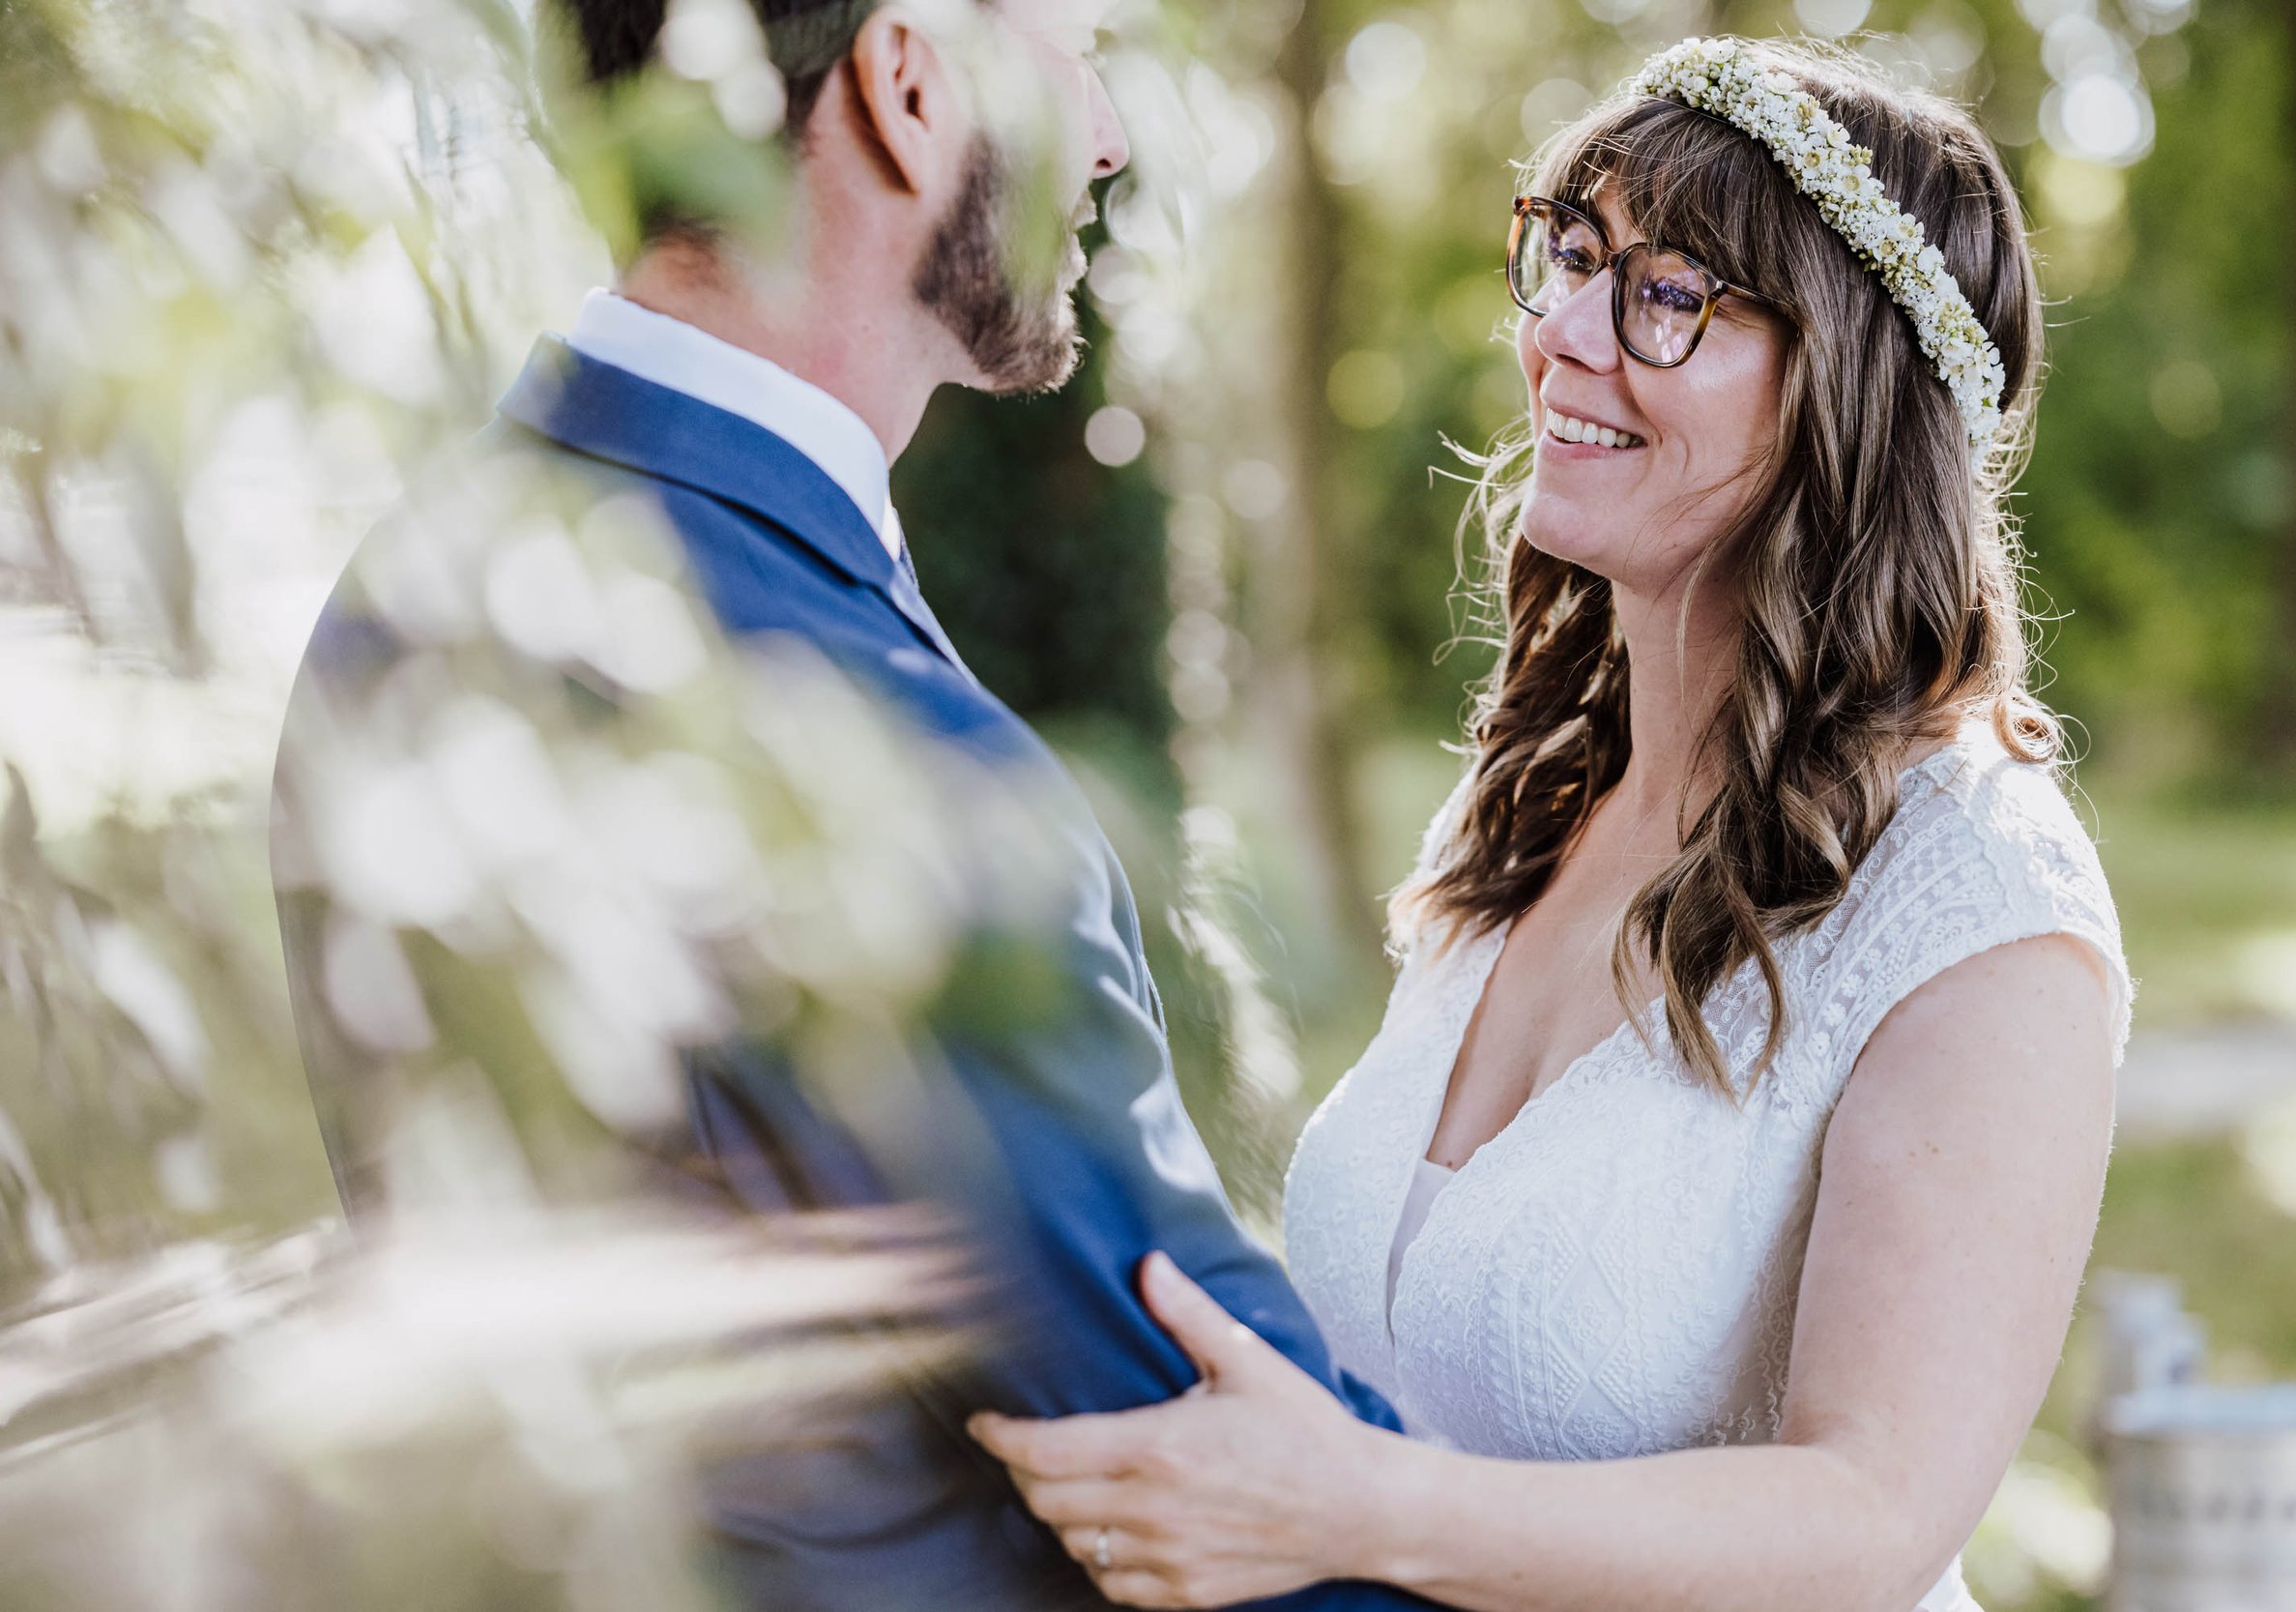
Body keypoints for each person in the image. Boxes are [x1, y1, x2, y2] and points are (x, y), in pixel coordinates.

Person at [270, 2, 1442, 1608]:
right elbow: (1254, 1472)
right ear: (904, 83)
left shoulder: (417, 584)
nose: (1105, 135)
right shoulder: (867, 758)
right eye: (1078, 44)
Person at [968, 36, 2133, 1612]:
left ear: (1851, 396)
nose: (1564, 335)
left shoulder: (1980, 897)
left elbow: (1873, 1518)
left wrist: (1359, 1511)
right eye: (1572, 256)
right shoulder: (1532, 806)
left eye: (1668, 296)